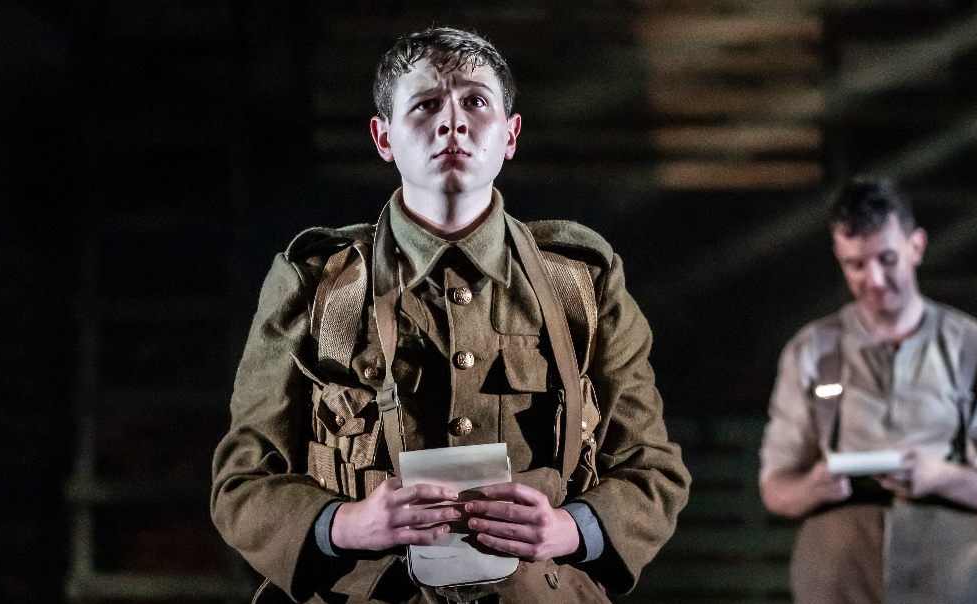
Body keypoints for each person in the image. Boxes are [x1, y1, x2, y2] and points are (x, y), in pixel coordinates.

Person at [210, 27, 689, 604]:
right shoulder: (316, 284)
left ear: (510, 135)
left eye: (476, 101)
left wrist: (568, 529)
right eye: (426, 104)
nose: (453, 122)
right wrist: (346, 525)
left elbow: (651, 468)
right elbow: (241, 483)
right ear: (383, 136)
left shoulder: (582, 281)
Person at [758, 178, 977, 604]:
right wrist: (815, 484)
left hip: (950, 580)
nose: (874, 279)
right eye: (855, 264)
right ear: (839, 256)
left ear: (916, 246)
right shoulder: (811, 350)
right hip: (838, 581)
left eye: (887, 259)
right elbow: (775, 488)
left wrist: (944, 477)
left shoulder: (973, 348)